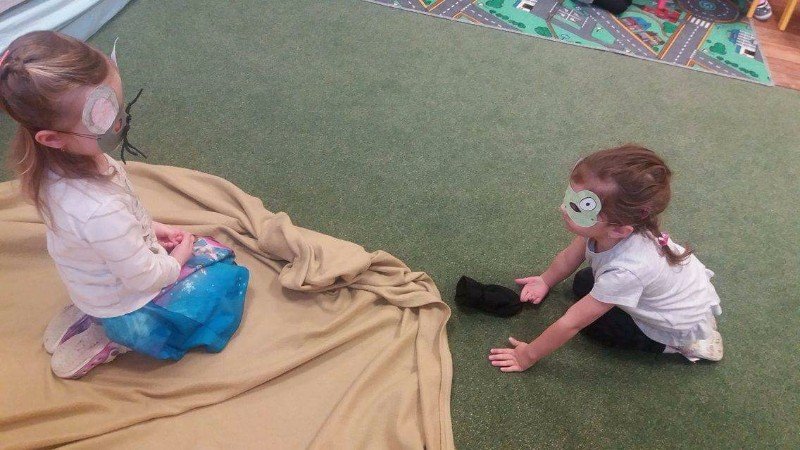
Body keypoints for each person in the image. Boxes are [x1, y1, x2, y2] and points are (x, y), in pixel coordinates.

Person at [0, 31, 249, 379]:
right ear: (53, 138)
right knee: (221, 278)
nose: (119, 123)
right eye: (104, 117)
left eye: (118, 105)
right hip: (128, 304)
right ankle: (117, 337)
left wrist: (149, 228)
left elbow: (100, 235)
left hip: (92, 285)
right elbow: (146, 278)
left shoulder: (49, 169)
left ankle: (93, 311)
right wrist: (179, 256)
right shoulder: (100, 211)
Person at [489, 145, 722, 372]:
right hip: (669, 293)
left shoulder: (628, 270)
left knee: (597, 327)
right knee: (583, 282)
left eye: (578, 208)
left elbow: (571, 323)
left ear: (619, 230)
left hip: (675, 320)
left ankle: (684, 344)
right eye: (570, 198)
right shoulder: (608, 229)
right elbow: (569, 257)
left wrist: (527, 356)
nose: (563, 208)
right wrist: (545, 280)